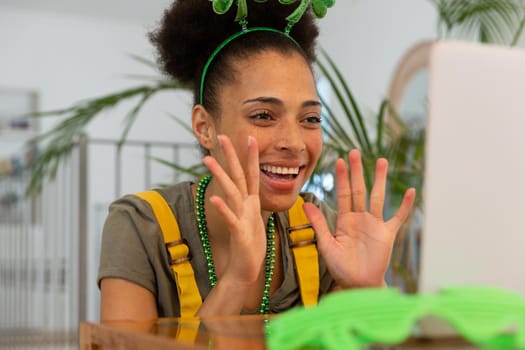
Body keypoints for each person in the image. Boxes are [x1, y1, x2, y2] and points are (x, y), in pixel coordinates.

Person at [98, 0, 415, 321]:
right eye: (264, 115)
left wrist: (367, 287)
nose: (293, 143)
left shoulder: (327, 232)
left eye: (310, 118)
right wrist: (236, 280)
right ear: (204, 127)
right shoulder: (140, 227)